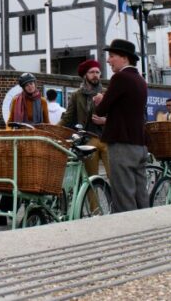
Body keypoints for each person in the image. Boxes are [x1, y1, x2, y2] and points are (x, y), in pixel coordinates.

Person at [92, 39, 148, 212]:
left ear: (124, 58)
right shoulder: (140, 79)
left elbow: (101, 109)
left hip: (122, 144)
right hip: (139, 144)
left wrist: (100, 99)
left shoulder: (120, 77)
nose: (108, 60)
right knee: (140, 195)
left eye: (112, 56)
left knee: (124, 196)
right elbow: (127, 112)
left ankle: (128, 228)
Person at [0, 73, 50, 224]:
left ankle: (31, 213)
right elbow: (11, 120)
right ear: (23, 87)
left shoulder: (42, 101)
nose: (30, 86)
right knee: (14, 178)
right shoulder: (16, 100)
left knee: (32, 179)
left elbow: (47, 123)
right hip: (19, 143)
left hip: (36, 143)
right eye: (27, 85)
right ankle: (3, 213)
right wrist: (9, 135)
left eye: (32, 83)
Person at [60, 59, 110, 180]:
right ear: (85, 75)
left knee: (115, 177)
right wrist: (53, 129)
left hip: (107, 139)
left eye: (97, 72)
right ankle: (93, 193)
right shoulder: (76, 95)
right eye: (91, 72)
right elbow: (68, 117)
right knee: (91, 179)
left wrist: (104, 120)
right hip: (88, 140)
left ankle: (116, 194)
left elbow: (117, 115)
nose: (95, 75)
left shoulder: (107, 93)